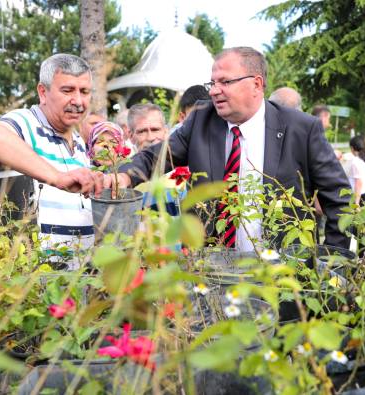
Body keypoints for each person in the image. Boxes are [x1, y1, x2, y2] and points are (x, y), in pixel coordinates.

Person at [112, 47, 350, 251]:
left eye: (225, 82)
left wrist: (333, 264)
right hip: (211, 273)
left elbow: (339, 200)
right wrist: (122, 176)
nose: (214, 90)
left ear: (256, 84)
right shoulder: (200, 121)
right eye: (213, 83)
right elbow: (155, 157)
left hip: (283, 277)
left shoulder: (301, 129)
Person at [0, 54, 104, 253]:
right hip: (43, 274)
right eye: (67, 90)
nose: (78, 101)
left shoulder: (79, 142)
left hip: (81, 273)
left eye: (85, 91)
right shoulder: (27, 122)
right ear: (43, 92)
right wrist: (57, 177)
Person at [347, 136, 365, 205]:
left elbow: (358, 182)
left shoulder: (355, 162)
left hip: (360, 196)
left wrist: (356, 203)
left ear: (352, 148)